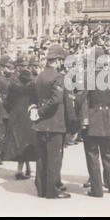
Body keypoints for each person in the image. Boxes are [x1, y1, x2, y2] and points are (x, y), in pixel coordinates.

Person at [29, 44, 71, 199]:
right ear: (58, 60)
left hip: (40, 124)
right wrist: (40, 111)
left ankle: (41, 188)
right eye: (61, 60)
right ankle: (51, 190)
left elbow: (34, 98)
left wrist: (36, 112)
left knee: (41, 157)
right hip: (55, 123)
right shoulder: (58, 77)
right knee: (54, 158)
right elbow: (56, 99)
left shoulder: (39, 76)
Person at [79, 47, 110, 197]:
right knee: (108, 155)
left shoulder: (88, 77)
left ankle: (96, 190)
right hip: (107, 119)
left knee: (92, 155)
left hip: (92, 119)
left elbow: (81, 99)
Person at [3, 56, 36, 179]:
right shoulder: (33, 86)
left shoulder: (13, 84)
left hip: (15, 116)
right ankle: (23, 170)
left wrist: (11, 111)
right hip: (28, 117)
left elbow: (7, 102)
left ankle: (22, 168)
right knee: (27, 142)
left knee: (18, 143)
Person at [0, 55, 14, 165]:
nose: (9, 69)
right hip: (1, 109)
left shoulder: (7, 78)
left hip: (7, 110)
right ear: (1, 67)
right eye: (7, 67)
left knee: (6, 132)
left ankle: (3, 153)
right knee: (0, 133)